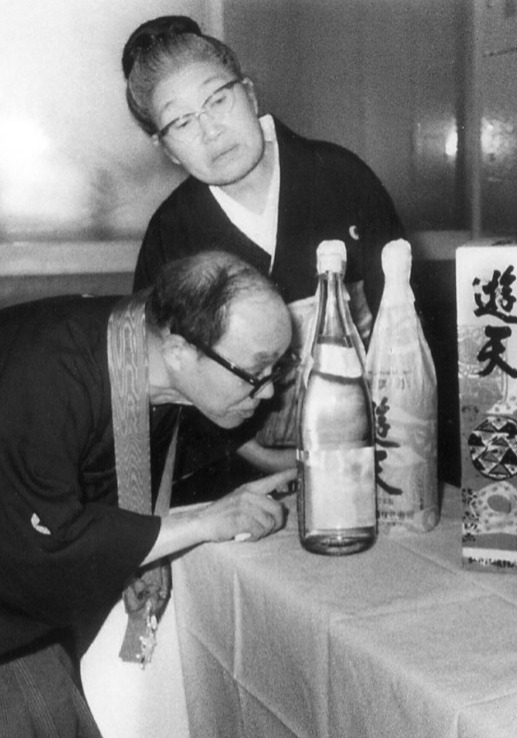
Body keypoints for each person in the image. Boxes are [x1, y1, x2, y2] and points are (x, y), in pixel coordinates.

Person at [0, 250, 296, 738]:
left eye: (279, 369)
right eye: (257, 373)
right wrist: (207, 522)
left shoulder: (146, 351)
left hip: (26, 621)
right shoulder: (50, 371)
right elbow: (43, 543)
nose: (268, 393)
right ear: (182, 350)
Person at [121, 15, 407, 498]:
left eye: (218, 99)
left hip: (371, 456)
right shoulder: (172, 233)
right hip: (235, 482)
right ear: (165, 148)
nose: (211, 131)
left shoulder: (341, 177)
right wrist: (264, 458)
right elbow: (162, 382)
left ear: (249, 95)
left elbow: (401, 325)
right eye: (181, 122)